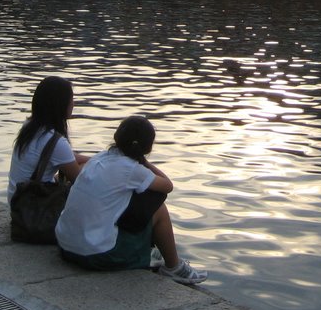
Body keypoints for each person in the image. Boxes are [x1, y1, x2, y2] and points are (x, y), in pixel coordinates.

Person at [55, 115, 207, 285]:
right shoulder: (132, 169)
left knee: (124, 201)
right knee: (159, 208)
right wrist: (144, 162)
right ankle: (174, 267)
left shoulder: (99, 158)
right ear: (147, 148)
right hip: (93, 256)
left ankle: (150, 251)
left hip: (66, 246)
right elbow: (167, 186)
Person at [7, 76, 88, 204]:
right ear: (60, 104)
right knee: (87, 171)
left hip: (17, 203)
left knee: (82, 166)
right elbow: (80, 182)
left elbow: (68, 157)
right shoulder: (56, 142)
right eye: (71, 99)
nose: (73, 104)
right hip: (35, 213)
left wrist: (95, 158)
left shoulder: (29, 126)